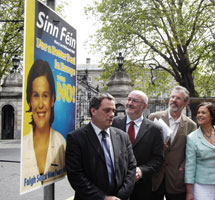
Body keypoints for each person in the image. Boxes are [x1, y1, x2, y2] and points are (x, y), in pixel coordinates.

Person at [66, 93, 136, 200]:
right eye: (107, 110)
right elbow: (76, 175)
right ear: (93, 111)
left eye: (113, 110)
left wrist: (120, 196)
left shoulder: (122, 137)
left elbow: (131, 168)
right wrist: (103, 198)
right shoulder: (76, 138)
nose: (112, 114)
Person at [21, 59, 66, 192]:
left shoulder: (62, 143)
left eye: (45, 96)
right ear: (29, 99)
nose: (40, 104)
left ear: (52, 99)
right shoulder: (24, 144)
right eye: (36, 95)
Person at [112, 90, 164, 200]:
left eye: (135, 101)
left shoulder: (155, 129)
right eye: (129, 99)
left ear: (145, 106)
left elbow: (158, 159)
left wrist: (141, 170)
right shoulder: (113, 123)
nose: (130, 103)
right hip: (115, 185)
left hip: (141, 187)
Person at [148, 86, 197, 200]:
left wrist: (183, 167)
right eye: (172, 97)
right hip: (155, 176)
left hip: (176, 178)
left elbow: (191, 152)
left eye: (178, 98)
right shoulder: (154, 117)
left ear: (185, 103)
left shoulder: (191, 125)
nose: (173, 100)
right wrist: (158, 148)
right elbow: (146, 144)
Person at [185, 102, 215, 200]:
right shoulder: (191, 138)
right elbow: (190, 166)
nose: (199, 115)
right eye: (198, 113)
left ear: (212, 116)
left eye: (203, 113)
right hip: (202, 185)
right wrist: (189, 192)